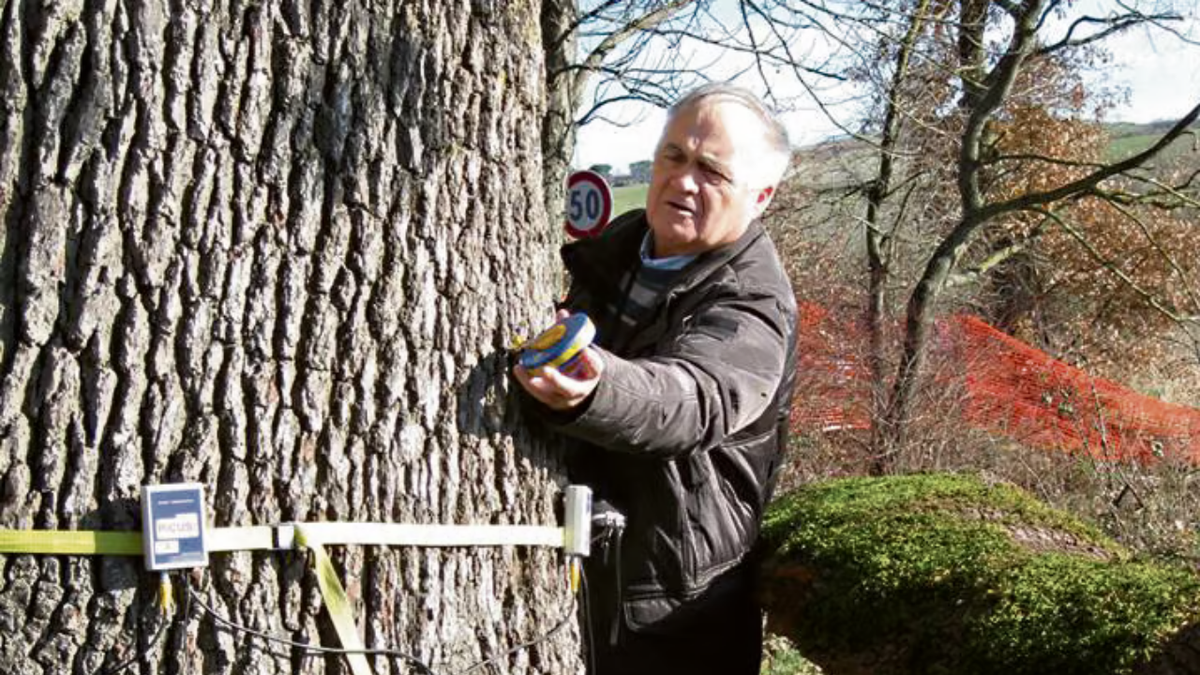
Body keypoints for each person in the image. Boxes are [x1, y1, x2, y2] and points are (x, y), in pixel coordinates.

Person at [513, 83, 798, 675]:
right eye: (674, 157)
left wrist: (598, 388)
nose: (684, 181)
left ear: (761, 195)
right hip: (582, 584)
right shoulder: (616, 251)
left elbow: (694, 397)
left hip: (677, 616)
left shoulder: (753, 303)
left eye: (712, 171)